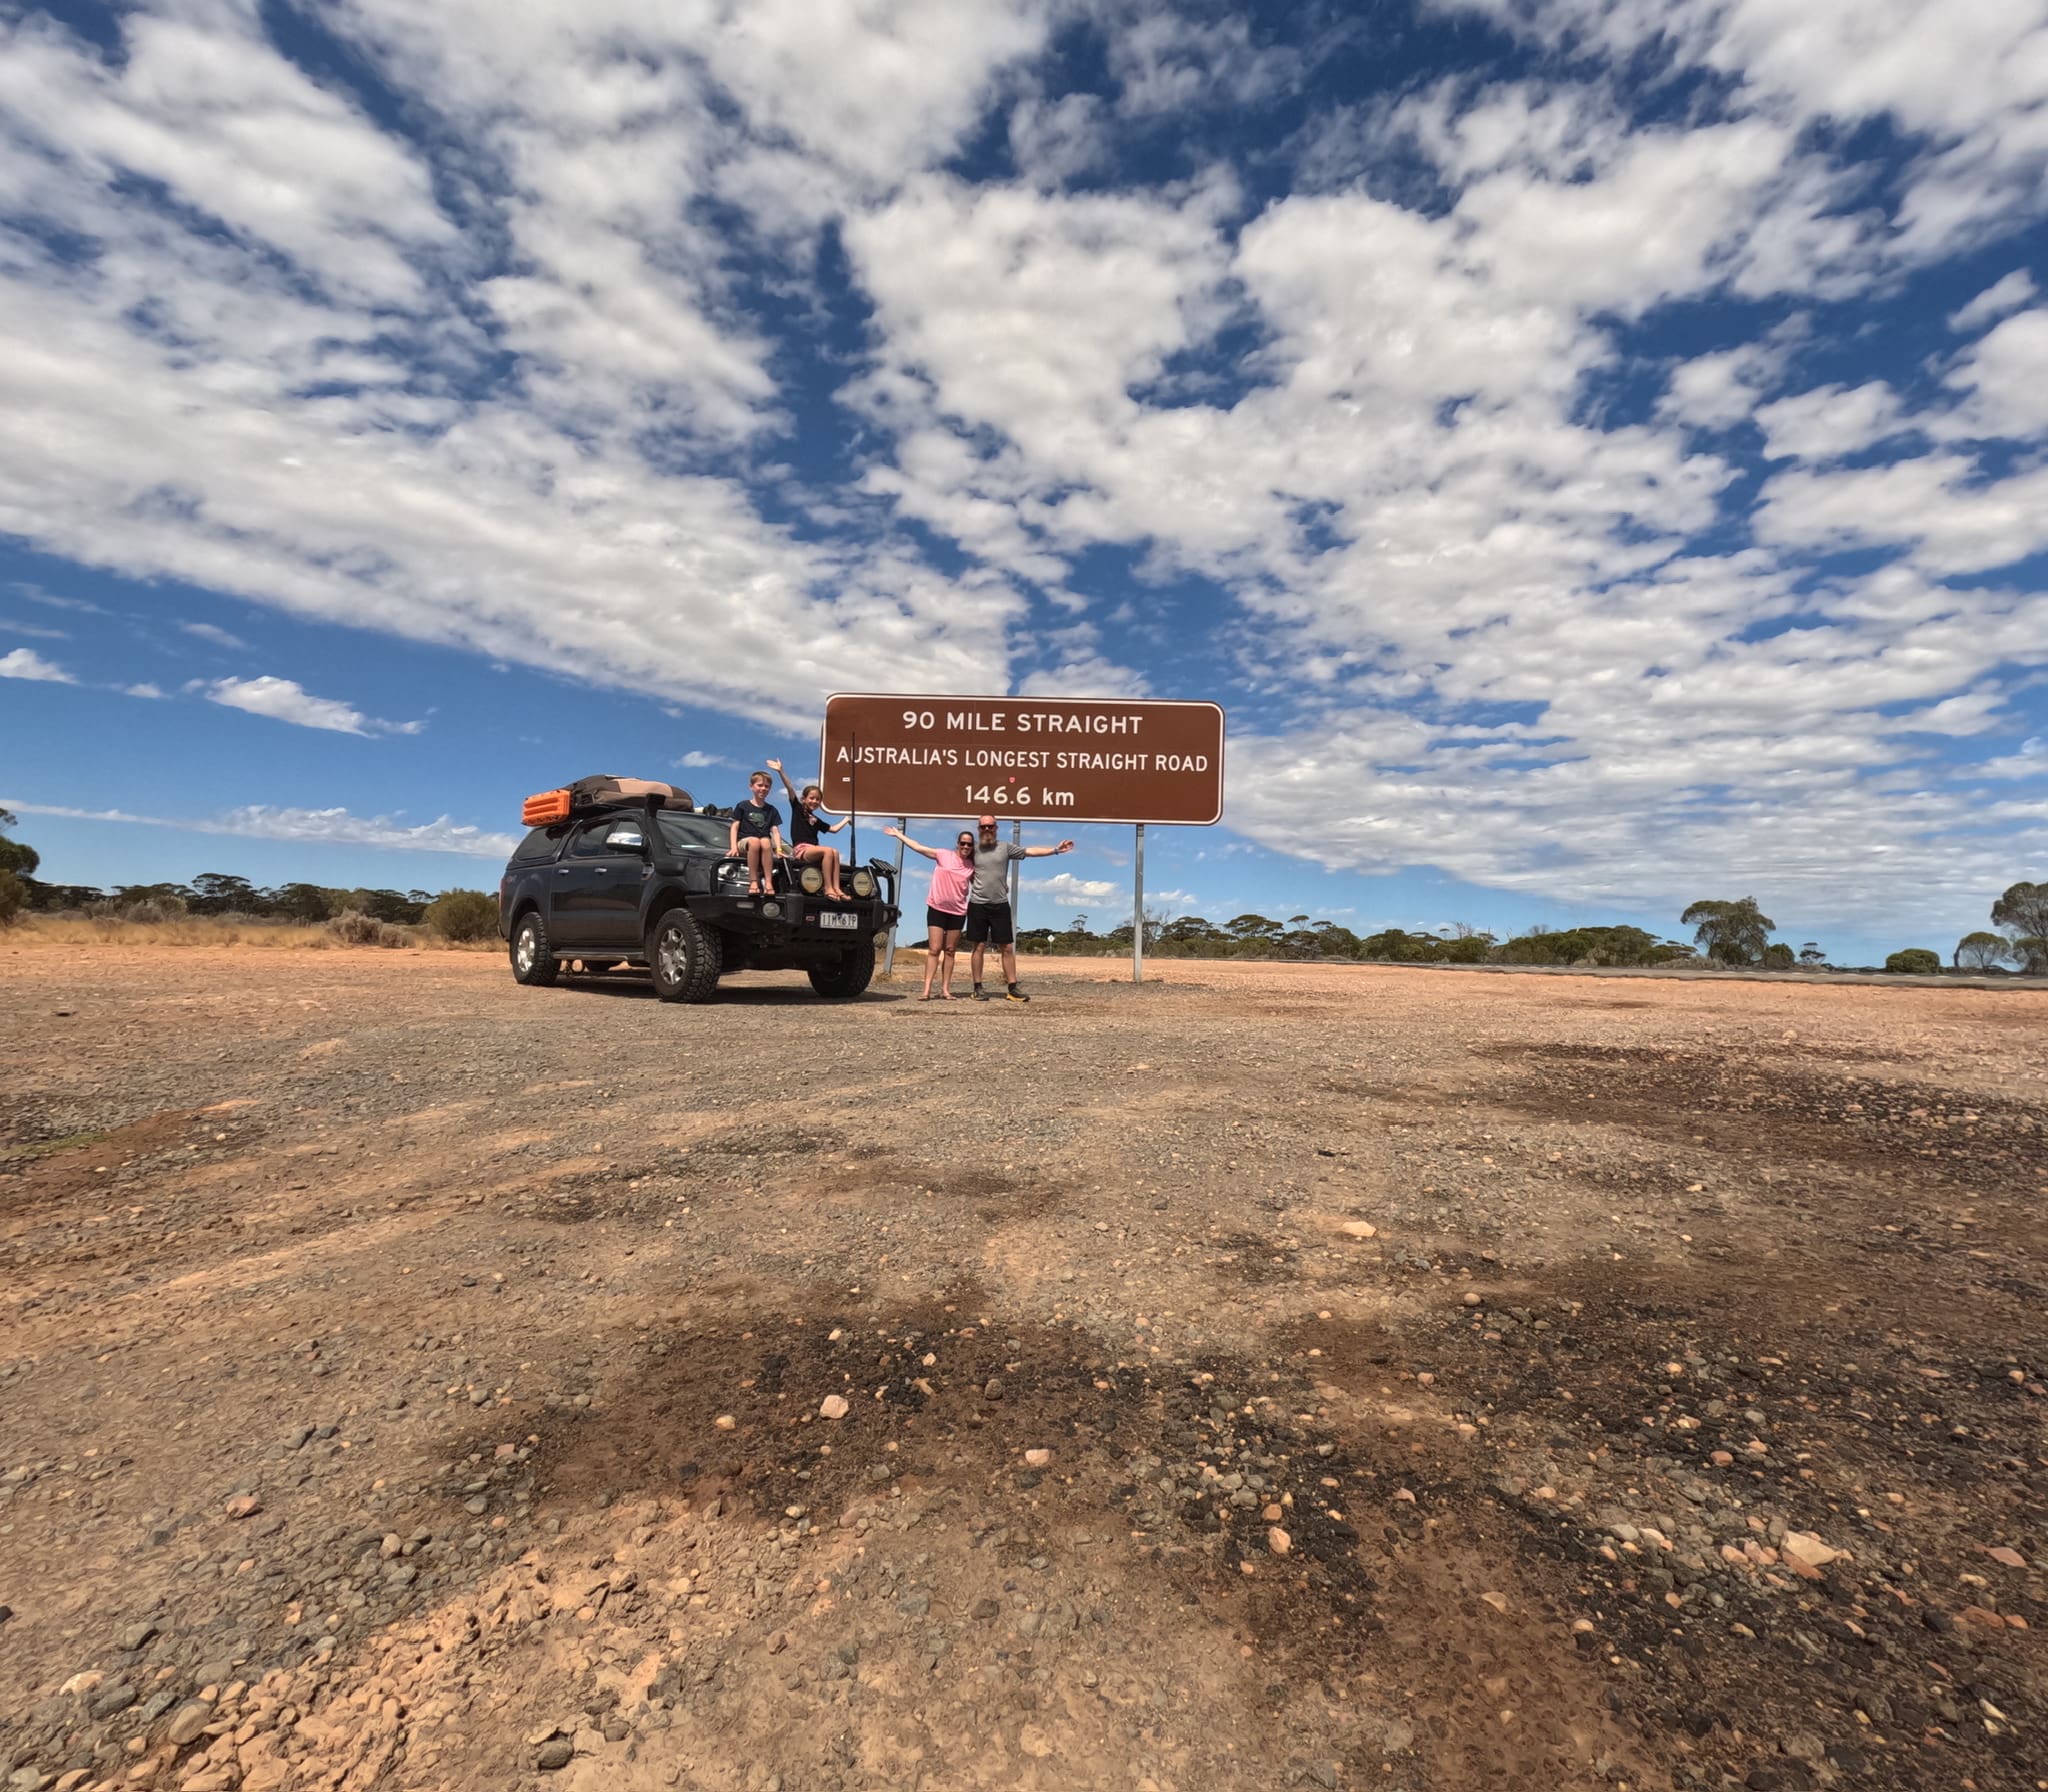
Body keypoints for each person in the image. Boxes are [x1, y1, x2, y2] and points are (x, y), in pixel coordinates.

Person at [963, 814, 1074, 1002]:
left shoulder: (1005, 847)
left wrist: (1055, 850)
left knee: (1006, 947)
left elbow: (1030, 851)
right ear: (978, 829)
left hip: (1000, 905)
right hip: (977, 904)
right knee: (978, 946)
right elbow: (955, 865)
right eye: (983, 827)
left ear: (996, 828)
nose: (987, 830)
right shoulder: (972, 850)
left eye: (991, 826)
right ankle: (978, 988)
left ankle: (1013, 988)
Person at [884, 825, 975, 1000]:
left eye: (969, 845)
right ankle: (926, 990)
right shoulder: (943, 855)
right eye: (962, 843)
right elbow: (918, 847)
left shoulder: (971, 865)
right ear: (957, 844)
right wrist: (898, 834)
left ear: (972, 847)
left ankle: (946, 990)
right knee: (934, 949)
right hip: (937, 908)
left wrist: (1002, 886)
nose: (965, 847)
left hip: (958, 911)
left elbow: (984, 880)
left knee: (950, 950)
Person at [768, 758, 850, 900]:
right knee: (828, 850)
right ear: (804, 799)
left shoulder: (816, 820)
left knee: (835, 852)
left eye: (818, 799)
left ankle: (836, 888)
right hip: (801, 850)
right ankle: (827, 887)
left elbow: (834, 829)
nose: (814, 801)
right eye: (812, 798)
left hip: (813, 849)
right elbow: (790, 789)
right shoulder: (798, 809)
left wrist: (846, 819)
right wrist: (781, 771)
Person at [728, 771, 782, 895]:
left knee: (765, 841)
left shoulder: (771, 810)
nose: (763, 788)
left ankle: (768, 882)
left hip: (764, 843)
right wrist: (733, 847)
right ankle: (753, 881)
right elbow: (734, 827)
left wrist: (779, 849)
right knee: (754, 841)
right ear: (751, 786)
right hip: (745, 842)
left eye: (766, 786)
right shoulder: (743, 806)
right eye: (760, 785)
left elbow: (775, 831)